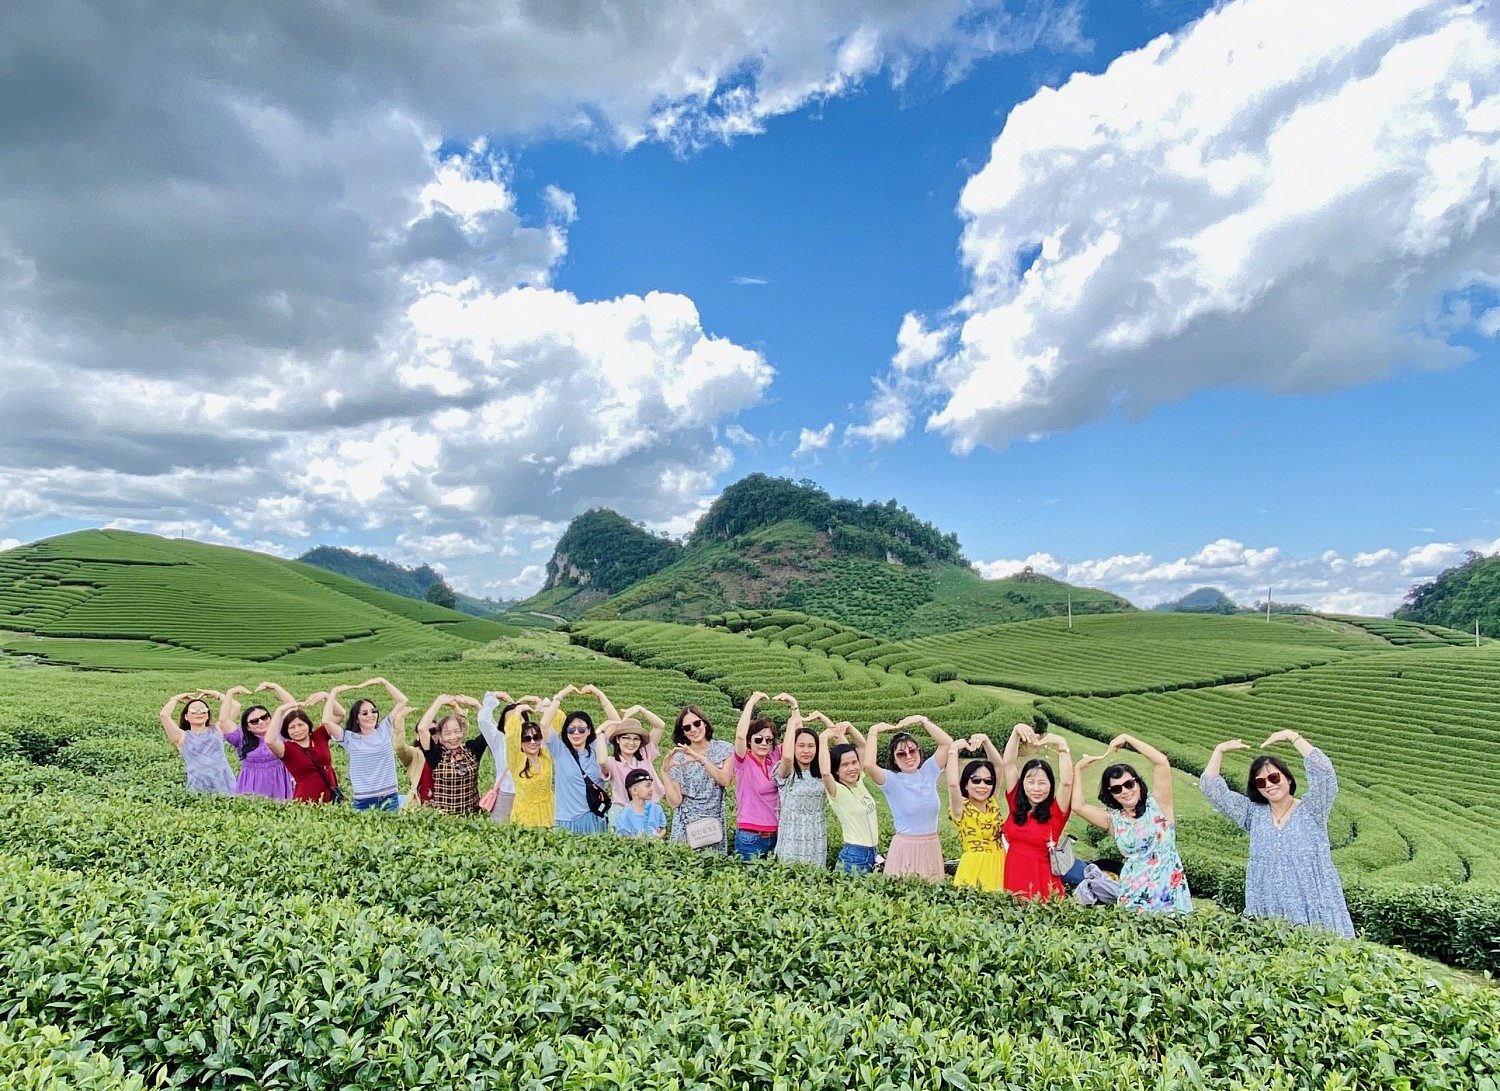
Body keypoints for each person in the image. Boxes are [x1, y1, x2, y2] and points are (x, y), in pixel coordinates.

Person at [1199, 730, 1354, 936]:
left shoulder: (1312, 809)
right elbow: (1212, 789)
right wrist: (1218, 750)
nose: (1269, 785)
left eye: (1274, 777)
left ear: (1288, 779)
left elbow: (1324, 773)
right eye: (1261, 782)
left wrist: (1293, 737)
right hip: (1268, 906)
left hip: (1314, 903)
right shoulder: (1253, 813)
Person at [1072, 733, 1192, 915]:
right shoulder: (1114, 819)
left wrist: (1128, 739)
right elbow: (1078, 806)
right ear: (1111, 794)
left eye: (1129, 784)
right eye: (1117, 789)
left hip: (1169, 893)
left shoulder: (1158, 804)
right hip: (1133, 895)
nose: (1125, 791)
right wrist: (1078, 769)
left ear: (1137, 782)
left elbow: (1161, 762)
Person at [863, 715, 955, 882]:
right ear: (894, 759)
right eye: (901, 754)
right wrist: (874, 731)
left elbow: (947, 743)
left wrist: (923, 720)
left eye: (912, 751)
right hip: (906, 848)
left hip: (931, 846)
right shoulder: (891, 780)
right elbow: (869, 765)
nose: (909, 756)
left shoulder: (928, 771)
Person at [999, 723, 1073, 900]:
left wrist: (1062, 745)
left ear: (1050, 785)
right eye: (1031, 782)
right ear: (1022, 783)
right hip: (1013, 877)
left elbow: (1067, 782)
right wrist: (1016, 731)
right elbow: (1008, 764)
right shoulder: (1016, 803)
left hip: (1043, 883)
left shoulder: (1056, 812)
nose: (1036, 788)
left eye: (1042, 783)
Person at [322, 677, 409, 812]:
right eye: (364, 713)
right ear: (357, 719)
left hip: (389, 796)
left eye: (373, 711)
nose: (370, 715)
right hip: (364, 799)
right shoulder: (350, 738)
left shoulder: (385, 729)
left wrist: (383, 682)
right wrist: (333, 693)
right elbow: (326, 722)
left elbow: (403, 700)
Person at [662, 705, 735, 853]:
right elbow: (675, 802)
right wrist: (664, 772)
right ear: (683, 732)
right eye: (687, 727)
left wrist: (700, 759)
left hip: (713, 825)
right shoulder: (679, 757)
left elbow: (725, 780)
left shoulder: (724, 749)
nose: (694, 730)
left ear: (705, 723)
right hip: (685, 825)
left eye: (697, 723)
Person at [541, 684, 611, 834]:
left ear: (589, 731)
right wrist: (560, 695)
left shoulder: (596, 747)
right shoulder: (559, 750)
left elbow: (615, 722)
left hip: (594, 816)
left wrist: (600, 694)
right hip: (566, 819)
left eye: (581, 729)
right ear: (566, 732)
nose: (576, 733)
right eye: (571, 729)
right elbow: (544, 724)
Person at [812, 715, 878, 874]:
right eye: (845, 765)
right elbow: (825, 772)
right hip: (854, 855)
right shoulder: (836, 791)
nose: (852, 768)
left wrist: (849, 727)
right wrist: (822, 739)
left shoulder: (859, 782)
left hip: (872, 852)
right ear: (837, 770)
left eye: (854, 763)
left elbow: (862, 746)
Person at [731, 691, 786, 860]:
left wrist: (794, 708)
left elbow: (794, 743)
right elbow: (740, 736)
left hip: (775, 834)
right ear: (749, 741)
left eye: (768, 740)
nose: (764, 743)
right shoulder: (743, 761)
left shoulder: (774, 758)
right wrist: (752, 702)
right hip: (750, 836)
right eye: (758, 739)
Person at [947, 734, 1005, 891]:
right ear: (965, 784)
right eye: (976, 780)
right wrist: (953, 751)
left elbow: (999, 767)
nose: (982, 785)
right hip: (974, 865)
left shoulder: (992, 802)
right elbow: (952, 784)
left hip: (1000, 862)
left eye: (988, 781)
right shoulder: (960, 808)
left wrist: (986, 740)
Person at [416, 694, 488, 816]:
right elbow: (422, 728)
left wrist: (477, 705)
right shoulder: (435, 754)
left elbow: (489, 729)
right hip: (444, 819)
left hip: (471, 816)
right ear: (440, 736)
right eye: (448, 733)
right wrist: (439, 702)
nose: (453, 737)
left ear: (462, 732)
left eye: (457, 731)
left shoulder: (471, 749)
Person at [773, 706, 827, 868]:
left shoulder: (822, 773)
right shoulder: (786, 772)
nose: (806, 750)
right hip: (791, 837)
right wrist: (792, 723)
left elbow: (847, 751)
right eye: (801, 745)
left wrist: (823, 718)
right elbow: (788, 757)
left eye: (811, 746)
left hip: (816, 836)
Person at [220, 683, 294, 801]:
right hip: (251, 784)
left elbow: (293, 707)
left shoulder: (279, 730)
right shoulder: (241, 737)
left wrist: (275, 687)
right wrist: (230, 693)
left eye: (264, 717)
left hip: (279, 781)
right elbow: (224, 721)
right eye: (254, 721)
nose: (261, 722)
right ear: (248, 727)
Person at [263, 696, 340, 803]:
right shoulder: (287, 749)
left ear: (308, 724)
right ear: (286, 731)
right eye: (292, 727)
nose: (297, 730)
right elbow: (269, 740)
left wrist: (327, 697)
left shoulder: (319, 736)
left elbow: (339, 714)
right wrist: (279, 711)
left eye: (300, 725)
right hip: (306, 800)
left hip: (331, 795)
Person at [159, 691, 237, 795]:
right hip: (198, 786)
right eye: (193, 710)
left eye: (203, 710)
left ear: (208, 715)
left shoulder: (218, 729)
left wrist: (217, 695)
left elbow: (235, 706)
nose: (199, 712)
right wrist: (175, 699)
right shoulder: (181, 736)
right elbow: (164, 715)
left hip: (225, 783)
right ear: (186, 716)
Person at [600, 709, 665, 819]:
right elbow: (601, 761)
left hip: (649, 809)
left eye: (636, 739)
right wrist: (600, 732)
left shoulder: (645, 753)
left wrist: (640, 709)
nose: (631, 743)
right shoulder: (612, 762)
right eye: (626, 738)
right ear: (617, 739)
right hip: (622, 811)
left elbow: (660, 726)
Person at [502, 698, 555, 828]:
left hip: (548, 810)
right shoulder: (517, 760)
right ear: (520, 742)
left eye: (536, 737)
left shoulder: (546, 757)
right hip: (525, 814)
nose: (532, 742)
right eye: (526, 738)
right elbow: (511, 736)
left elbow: (554, 726)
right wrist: (519, 710)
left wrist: (545, 708)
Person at [476, 690, 521, 823]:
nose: (514, 723)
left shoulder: (534, 740)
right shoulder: (499, 739)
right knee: (500, 828)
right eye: (510, 720)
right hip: (506, 793)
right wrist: (493, 696)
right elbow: (483, 720)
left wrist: (540, 704)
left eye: (518, 718)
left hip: (529, 792)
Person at [612, 768, 667, 839]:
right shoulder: (624, 815)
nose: (652, 789)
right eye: (648, 786)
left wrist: (659, 836)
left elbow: (663, 828)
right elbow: (623, 839)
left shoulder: (656, 808)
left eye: (651, 785)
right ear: (634, 790)